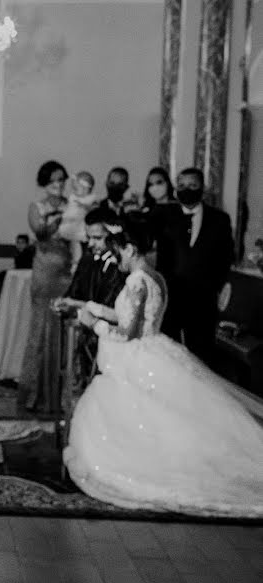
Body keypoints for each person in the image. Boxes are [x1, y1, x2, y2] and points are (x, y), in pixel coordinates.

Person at [64, 215, 263, 518]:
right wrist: (94, 307)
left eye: (117, 250)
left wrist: (94, 325)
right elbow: (137, 317)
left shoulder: (134, 281)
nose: (113, 256)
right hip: (157, 347)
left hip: (135, 356)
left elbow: (128, 333)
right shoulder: (154, 277)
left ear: (130, 249)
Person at [151, 167, 234, 368]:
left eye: (192, 185)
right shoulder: (164, 215)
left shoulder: (219, 219)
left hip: (203, 300)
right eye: (181, 185)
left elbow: (225, 257)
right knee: (169, 355)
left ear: (202, 189)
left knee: (201, 355)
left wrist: (219, 287)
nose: (186, 189)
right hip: (171, 297)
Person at [18, 160, 72, 412]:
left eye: (61, 179)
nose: (58, 184)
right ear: (44, 183)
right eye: (52, 180)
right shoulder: (36, 206)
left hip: (68, 269)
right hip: (45, 272)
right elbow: (40, 233)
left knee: (66, 328)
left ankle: (62, 394)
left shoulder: (72, 205)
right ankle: (35, 394)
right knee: (42, 328)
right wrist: (57, 218)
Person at [53, 207, 127, 388]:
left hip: (109, 337)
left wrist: (77, 303)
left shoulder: (120, 267)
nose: (92, 244)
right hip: (83, 335)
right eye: (89, 238)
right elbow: (74, 291)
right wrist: (64, 303)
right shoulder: (87, 259)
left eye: (98, 238)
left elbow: (112, 307)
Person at [0, 234, 34, 313]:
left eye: (22, 243)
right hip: (21, 276)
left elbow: (25, 268)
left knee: (5, 273)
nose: (20, 245)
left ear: (27, 244)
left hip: (26, 278)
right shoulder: (20, 253)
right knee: (3, 278)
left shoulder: (28, 253)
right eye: (18, 243)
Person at [58, 170, 97, 269]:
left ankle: (76, 264)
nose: (74, 190)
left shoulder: (89, 199)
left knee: (77, 248)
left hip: (79, 229)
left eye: (77, 188)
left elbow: (89, 207)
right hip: (68, 227)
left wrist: (81, 203)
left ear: (86, 189)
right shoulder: (72, 197)